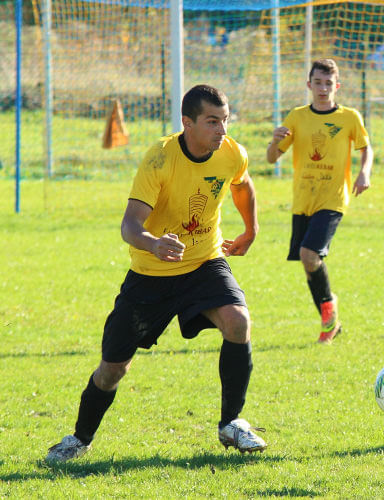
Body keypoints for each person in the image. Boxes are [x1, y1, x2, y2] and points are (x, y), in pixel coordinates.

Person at [46, 85, 266, 463]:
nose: (222, 130)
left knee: (238, 321)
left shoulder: (231, 153)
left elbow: (242, 185)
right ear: (187, 122)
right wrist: (154, 243)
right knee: (112, 370)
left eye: (225, 120)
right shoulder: (159, 159)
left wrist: (250, 230)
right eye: (212, 121)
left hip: (203, 262)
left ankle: (231, 423)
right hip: (151, 275)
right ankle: (79, 439)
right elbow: (130, 225)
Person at [266, 58, 373, 344]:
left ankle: (328, 317)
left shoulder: (349, 117)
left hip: (333, 198)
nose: (323, 88)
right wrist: (274, 141)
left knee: (309, 255)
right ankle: (330, 316)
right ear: (309, 85)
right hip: (303, 200)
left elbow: (366, 148)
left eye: (328, 83)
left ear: (336, 86)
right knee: (308, 262)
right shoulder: (297, 117)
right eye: (318, 83)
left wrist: (364, 172)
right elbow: (271, 157)